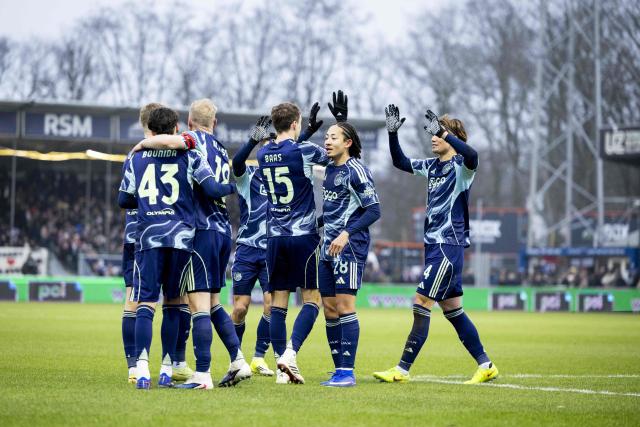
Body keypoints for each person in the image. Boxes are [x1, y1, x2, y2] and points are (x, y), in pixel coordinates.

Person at [373, 105, 498, 384]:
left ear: (451, 137)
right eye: (432, 132)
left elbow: (473, 154)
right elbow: (400, 162)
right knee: (454, 312)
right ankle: (486, 365)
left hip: (447, 245)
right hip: (434, 247)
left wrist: (443, 130)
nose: (432, 137)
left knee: (420, 302)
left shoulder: (463, 168)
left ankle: (402, 369)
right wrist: (393, 133)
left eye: (437, 134)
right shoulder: (432, 166)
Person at [134, 99, 251, 387]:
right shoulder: (222, 149)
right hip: (223, 231)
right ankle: (238, 360)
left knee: (196, 303)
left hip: (200, 229)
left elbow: (160, 139)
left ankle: (201, 373)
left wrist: (141, 146)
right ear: (215, 123)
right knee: (212, 303)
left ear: (187, 122)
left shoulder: (189, 141)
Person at [120, 103, 193, 385]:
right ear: (176, 129)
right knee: (174, 303)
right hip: (180, 237)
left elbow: (123, 200)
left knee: (144, 304)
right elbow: (204, 189)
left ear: (150, 129)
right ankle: (166, 368)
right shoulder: (188, 155)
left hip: (148, 237)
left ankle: (140, 369)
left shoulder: (136, 157)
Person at [256, 101, 328, 384]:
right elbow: (333, 157)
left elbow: (285, 152)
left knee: (278, 304)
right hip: (303, 236)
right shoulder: (305, 150)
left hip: (274, 237)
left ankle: (281, 370)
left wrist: (304, 131)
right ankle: (290, 354)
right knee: (312, 299)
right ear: (296, 123)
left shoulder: (262, 153)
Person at [318, 97, 381, 387]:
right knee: (329, 308)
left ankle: (347, 371)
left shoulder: (356, 170)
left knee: (344, 306)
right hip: (325, 247)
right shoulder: (330, 168)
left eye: (333, 137)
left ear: (348, 143)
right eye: (326, 136)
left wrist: (346, 233)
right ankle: (338, 369)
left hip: (349, 247)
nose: (326, 141)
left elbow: (374, 210)